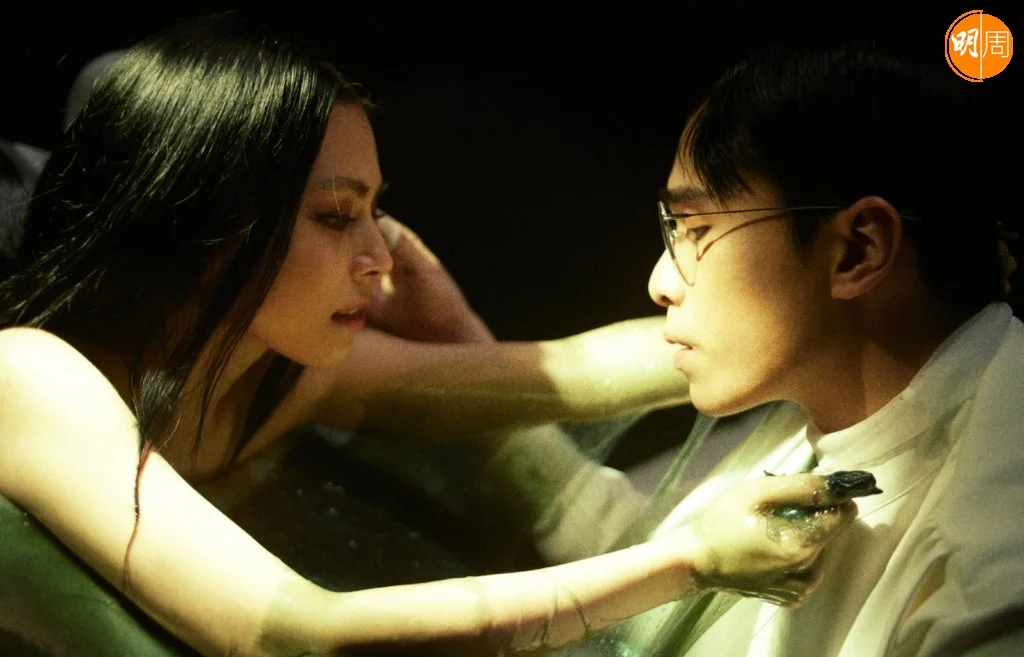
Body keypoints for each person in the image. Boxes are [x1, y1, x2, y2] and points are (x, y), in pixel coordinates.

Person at [0, 14, 862, 656]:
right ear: (207, 223)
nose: (381, 255)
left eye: (374, 210)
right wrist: (693, 558)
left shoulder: (279, 372)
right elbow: (304, 633)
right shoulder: (29, 376)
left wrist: (826, 316)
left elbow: (564, 373)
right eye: (337, 215)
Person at [564, 43, 1022, 657]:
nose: (660, 281)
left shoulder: (987, 575)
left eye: (696, 231)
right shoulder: (830, 408)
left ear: (857, 252)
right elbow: (647, 575)